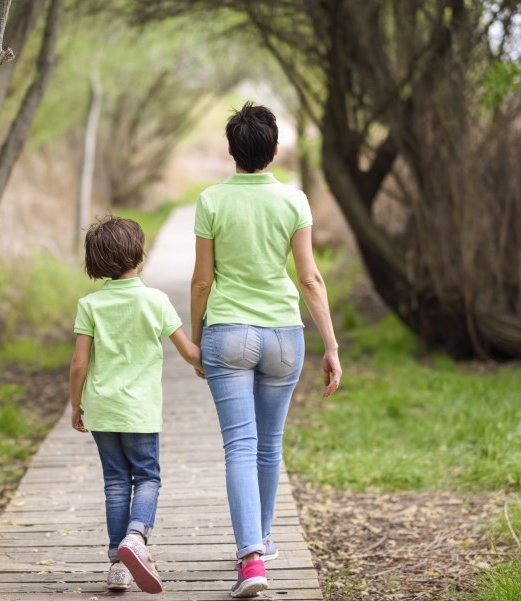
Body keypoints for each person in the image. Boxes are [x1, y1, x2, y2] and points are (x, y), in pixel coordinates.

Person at [190, 102, 342, 598]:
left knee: (240, 444)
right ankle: (264, 540)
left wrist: (196, 337)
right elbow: (310, 278)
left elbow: (202, 280)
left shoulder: (211, 201)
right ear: (274, 151)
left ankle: (251, 559)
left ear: (232, 151)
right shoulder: (294, 200)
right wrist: (332, 346)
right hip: (283, 336)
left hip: (228, 333)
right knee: (268, 444)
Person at [69, 216, 203, 594]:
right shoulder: (156, 301)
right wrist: (208, 363)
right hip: (140, 411)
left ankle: (117, 565)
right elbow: (189, 352)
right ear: (140, 257)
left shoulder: (90, 305)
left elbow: (79, 363)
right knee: (147, 477)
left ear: (96, 263)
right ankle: (136, 537)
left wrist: (75, 406)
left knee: (115, 481)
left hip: (102, 409)